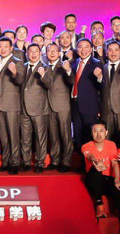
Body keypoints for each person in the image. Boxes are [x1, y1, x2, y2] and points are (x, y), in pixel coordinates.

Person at [0, 37, 25, 174]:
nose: (3, 49)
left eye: (6, 46)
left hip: (12, 104)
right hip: (0, 104)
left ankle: (15, 163)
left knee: (13, 135)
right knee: (3, 136)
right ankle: (5, 162)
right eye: (0, 46)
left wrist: (15, 73)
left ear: (11, 48)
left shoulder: (17, 62)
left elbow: (20, 80)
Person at [19, 44, 52, 172]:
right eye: (31, 51)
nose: (33, 54)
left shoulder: (45, 67)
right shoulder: (23, 66)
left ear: (40, 53)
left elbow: (49, 84)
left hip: (39, 108)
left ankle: (40, 162)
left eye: (36, 51)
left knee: (40, 138)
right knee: (25, 137)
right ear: (27, 53)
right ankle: (26, 162)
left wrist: (43, 76)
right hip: (24, 108)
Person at [44, 43, 73, 173]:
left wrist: (68, 70)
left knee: (65, 135)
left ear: (59, 53)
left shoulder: (64, 65)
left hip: (62, 106)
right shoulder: (44, 67)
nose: (51, 53)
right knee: (53, 135)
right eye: (49, 50)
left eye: (54, 51)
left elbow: (71, 81)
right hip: (48, 106)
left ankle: (66, 161)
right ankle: (55, 161)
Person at [70, 39, 103, 151]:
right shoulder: (73, 63)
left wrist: (99, 77)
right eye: (80, 47)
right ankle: (81, 159)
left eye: (86, 47)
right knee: (78, 136)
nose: (83, 50)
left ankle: (90, 160)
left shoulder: (96, 63)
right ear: (77, 49)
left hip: (89, 106)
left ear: (91, 49)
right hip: (74, 105)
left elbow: (102, 86)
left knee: (89, 135)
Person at [81, 123, 117, 221]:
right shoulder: (86, 146)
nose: (98, 134)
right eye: (95, 131)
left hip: (107, 180)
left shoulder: (111, 145)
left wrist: (117, 180)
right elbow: (90, 156)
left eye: (101, 131)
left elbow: (115, 164)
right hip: (93, 182)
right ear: (91, 133)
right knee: (95, 170)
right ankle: (99, 206)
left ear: (106, 132)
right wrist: (96, 162)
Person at [99, 42, 120, 137]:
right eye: (110, 50)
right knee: (106, 139)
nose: (113, 53)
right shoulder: (102, 68)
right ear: (106, 52)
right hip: (106, 110)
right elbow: (99, 90)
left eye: (116, 50)